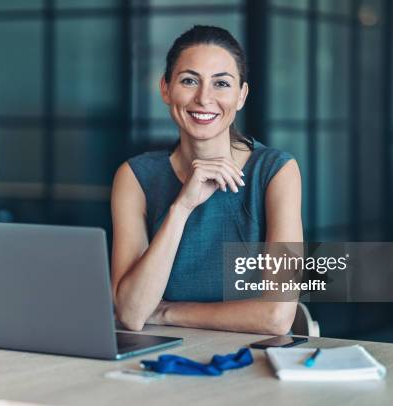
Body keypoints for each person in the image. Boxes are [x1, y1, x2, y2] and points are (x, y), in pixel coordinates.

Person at [110, 25, 302, 334]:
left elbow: (278, 316)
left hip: (250, 358)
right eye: (189, 81)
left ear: (241, 96)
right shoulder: (135, 177)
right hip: (160, 358)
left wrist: (169, 312)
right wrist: (182, 208)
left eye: (221, 84)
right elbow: (131, 313)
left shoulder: (276, 171)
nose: (204, 98)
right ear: (166, 88)